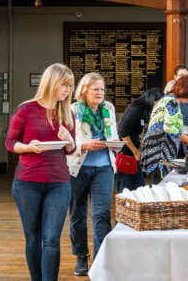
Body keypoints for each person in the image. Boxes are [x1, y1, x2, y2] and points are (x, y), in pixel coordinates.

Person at [6, 63, 76, 281]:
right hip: (27, 183)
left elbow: (71, 150)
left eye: (69, 86)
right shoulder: (26, 109)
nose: (66, 90)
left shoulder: (66, 112)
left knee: (52, 240)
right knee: (34, 239)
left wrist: (70, 140)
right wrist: (28, 147)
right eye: (63, 85)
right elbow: (10, 143)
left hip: (59, 183)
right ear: (51, 82)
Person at [67, 72, 121, 276]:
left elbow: (112, 134)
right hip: (77, 168)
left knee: (101, 214)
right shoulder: (73, 110)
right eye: (95, 89)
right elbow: (68, 142)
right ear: (84, 91)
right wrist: (84, 145)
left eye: (102, 89)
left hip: (104, 168)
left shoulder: (108, 108)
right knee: (77, 214)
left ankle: (100, 260)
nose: (100, 93)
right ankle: (81, 256)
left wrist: (116, 145)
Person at [140, 76, 188, 183]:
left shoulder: (166, 99)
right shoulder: (172, 102)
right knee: (161, 187)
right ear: (185, 90)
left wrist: (185, 140)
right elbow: (171, 129)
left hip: (154, 150)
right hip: (159, 152)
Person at [117, 88, 164, 193]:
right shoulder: (135, 108)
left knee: (140, 187)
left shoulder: (145, 110)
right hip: (127, 153)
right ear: (152, 99)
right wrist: (135, 151)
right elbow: (123, 133)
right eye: (158, 102)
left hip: (136, 153)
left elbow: (142, 129)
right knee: (126, 189)